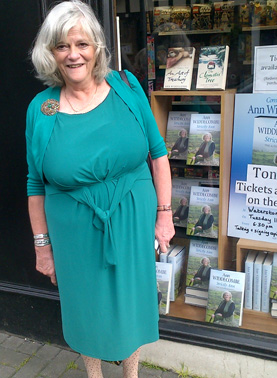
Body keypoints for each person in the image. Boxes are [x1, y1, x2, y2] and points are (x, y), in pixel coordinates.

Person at [26, 2, 174, 377]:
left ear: (96, 48)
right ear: (51, 53)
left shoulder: (127, 87)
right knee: (85, 306)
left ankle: (132, 372)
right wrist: (42, 247)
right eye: (62, 46)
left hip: (132, 218)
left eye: (81, 44)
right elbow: (35, 184)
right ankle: (95, 375)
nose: (73, 54)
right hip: (73, 229)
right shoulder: (41, 109)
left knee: (132, 302)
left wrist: (164, 215)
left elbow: (157, 154)